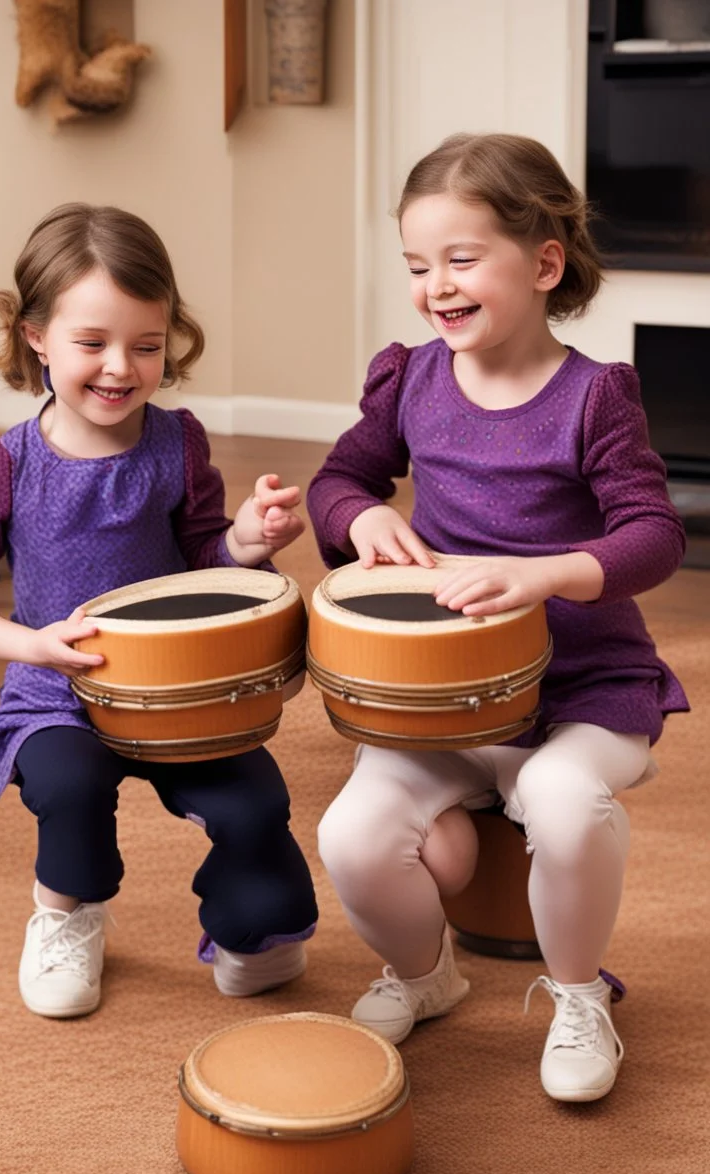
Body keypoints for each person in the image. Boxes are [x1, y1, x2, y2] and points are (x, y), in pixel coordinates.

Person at [307, 133, 688, 1102]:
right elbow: (342, 478)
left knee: (566, 803)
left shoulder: (593, 396)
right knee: (352, 836)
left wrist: (548, 572)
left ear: (544, 263)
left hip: (580, 691)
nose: (435, 285)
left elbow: (653, 537)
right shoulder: (412, 377)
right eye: (416, 265)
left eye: (461, 259)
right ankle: (424, 974)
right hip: (445, 697)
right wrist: (361, 520)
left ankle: (575, 993)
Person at [0, 203, 317, 1020]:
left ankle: (255, 929)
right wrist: (28, 643)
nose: (119, 368)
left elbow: (206, 561)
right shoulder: (2, 464)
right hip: (59, 690)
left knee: (256, 804)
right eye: (91, 343)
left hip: (182, 686)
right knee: (69, 784)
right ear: (35, 336)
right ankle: (68, 914)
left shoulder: (179, 442)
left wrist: (243, 539)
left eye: (145, 345)